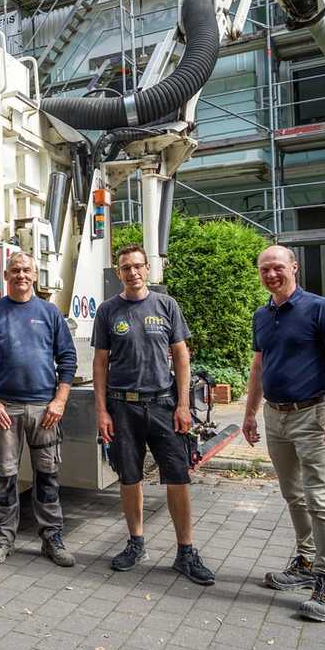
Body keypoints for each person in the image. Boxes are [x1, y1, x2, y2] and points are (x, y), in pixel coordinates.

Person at [242, 244, 325, 622]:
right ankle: (306, 563)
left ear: (294, 267)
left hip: (314, 415)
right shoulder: (262, 314)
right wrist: (250, 414)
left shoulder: (320, 309)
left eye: (277, 267)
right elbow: (258, 367)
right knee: (293, 494)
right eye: (264, 269)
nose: (271, 274)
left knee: (319, 497)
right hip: (276, 416)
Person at [92, 244, 215, 585]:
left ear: (148, 269)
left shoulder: (166, 305)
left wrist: (183, 405)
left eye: (137, 266)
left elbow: (181, 356)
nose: (132, 272)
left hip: (163, 405)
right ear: (119, 273)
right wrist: (101, 411)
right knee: (129, 477)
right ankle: (135, 543)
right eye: (125, 268)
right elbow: (100, 364)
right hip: (122, 405)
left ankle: (185, 552)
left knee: (178, 477)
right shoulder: (108, 311)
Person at [0, 251, 77, 566]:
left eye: (26, 270)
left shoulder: (49, 313)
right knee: (5, 478)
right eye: (15, 270)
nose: (21, 275)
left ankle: (52, 541)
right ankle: (3, 541)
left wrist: (60, 400)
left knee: (48, 477)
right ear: (6, 275)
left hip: (45, 410)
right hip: (7, 410)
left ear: (35, 275)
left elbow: (67, 359)